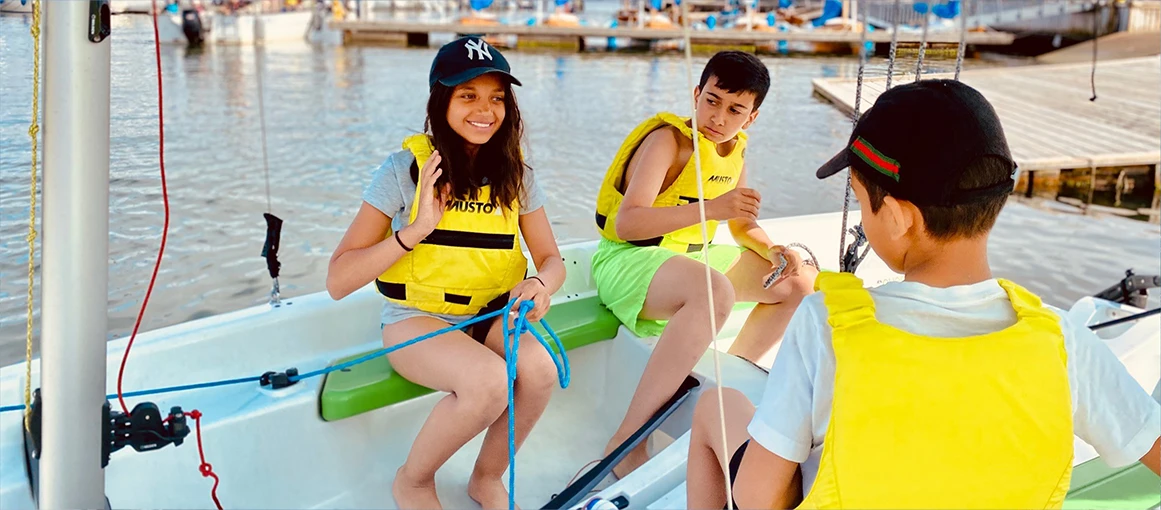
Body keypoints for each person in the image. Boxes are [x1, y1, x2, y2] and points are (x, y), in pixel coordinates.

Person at [685, 79, 1161, 508]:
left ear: (897, 216)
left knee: (716, 406)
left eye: (858, 193)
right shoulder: (1061, 339)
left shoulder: (826, 324)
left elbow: (756, 497)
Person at [325, 36, 566, 510]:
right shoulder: (403, 172)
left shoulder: (517, 175)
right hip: (418, 320)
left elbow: (553, 261)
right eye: (468, 95)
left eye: (497, 97)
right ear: (441, 101)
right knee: (490, 382)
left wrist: (540, 285)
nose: (485, 110)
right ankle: (413, 480)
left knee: (539, 372)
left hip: (492, 313)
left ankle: (486, 476)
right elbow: (338, 280)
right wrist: (415, 229)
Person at [591, 50, 817, 477]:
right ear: (697, 94)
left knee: (798, 282)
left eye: (735, 109)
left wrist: (771, 250)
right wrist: (713, 209)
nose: (719, 117)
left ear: (751, 117)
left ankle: (722, 381)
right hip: (629, 260)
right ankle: (626, 439)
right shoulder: (669, 142)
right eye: (712, 100)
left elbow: (742, 225)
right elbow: (628, 223)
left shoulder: (735, 152)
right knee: (714, 289)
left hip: (689, 263)